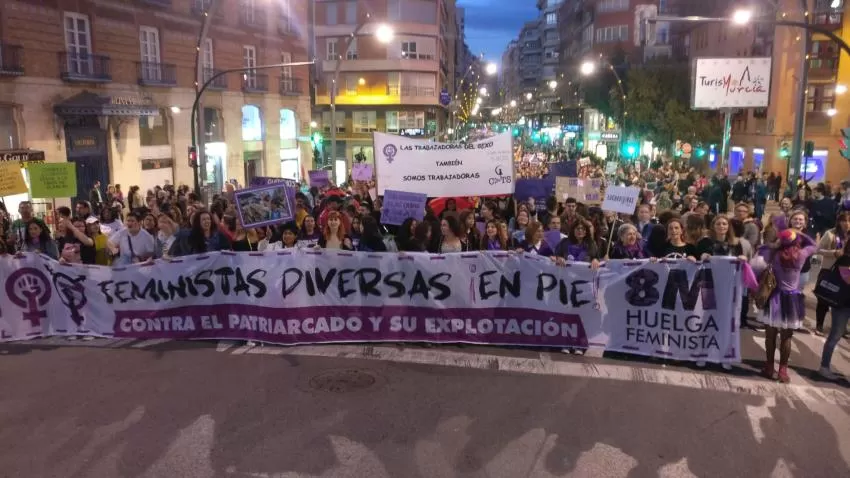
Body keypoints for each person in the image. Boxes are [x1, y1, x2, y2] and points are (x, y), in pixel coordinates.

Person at [758, 228, 817, 383]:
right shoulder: (802, 255)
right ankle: (783, 370)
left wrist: (777, 241)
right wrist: (798, 232)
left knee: (770, 336)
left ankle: (769, 366)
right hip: (792, 299)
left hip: (774, 298)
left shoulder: (774, 254)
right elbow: (813, 245)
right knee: (786, 337)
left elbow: (762, 248)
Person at [815, 210, 850, 335]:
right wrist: (833, 253)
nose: (847, 224)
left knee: (843, 300)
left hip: (846, 273)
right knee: (824, 297)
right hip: (830, 270)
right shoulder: (830, 234)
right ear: (839, 222)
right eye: (844, 221)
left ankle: (841, 327)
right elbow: (818, 250)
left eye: (849, 221)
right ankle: (819, 325)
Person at [819, 241, 850, 380]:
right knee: (835, 335)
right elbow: (847, 279)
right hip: (842, 304)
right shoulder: (845, 258)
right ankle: (824, 367)